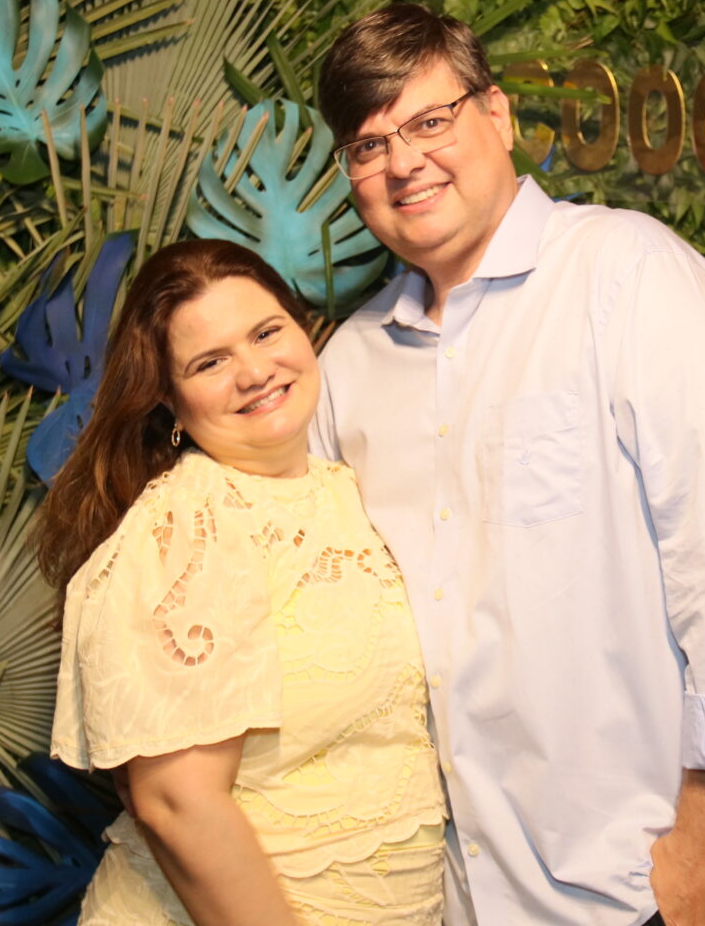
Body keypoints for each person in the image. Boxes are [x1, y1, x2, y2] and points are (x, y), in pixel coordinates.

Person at [311, 3, 705, 926]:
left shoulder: (625, 275)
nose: (404, 162)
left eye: (431, 121)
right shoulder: (347, 368)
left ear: (497, 115)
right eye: (369, 145)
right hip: (446, 900)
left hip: (638, 887)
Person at [37, 240, 446, 926]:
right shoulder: (186, 526)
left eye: (265, 333)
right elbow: (176, 804)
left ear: (303, 329)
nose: (254, 372)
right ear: (168, 398)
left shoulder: (343, 487)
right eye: (210, 362)